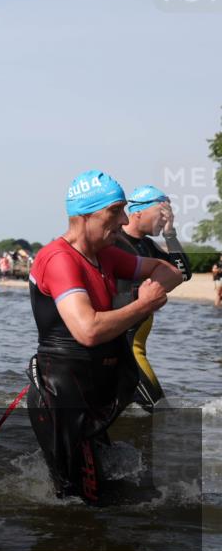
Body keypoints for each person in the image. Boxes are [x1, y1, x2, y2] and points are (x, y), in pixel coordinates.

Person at [25, 170, 183, 504]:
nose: (124, 219)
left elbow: (171, 271)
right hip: (62, 394)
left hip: (94, 391)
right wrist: (143, 305)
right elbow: (88, 330)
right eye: (115, 211)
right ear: (85, 215)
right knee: (76, 506)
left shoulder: (106, 255)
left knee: (106, 496)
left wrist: (149, 294)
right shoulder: (59, 259)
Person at [113, 185, 192, 411]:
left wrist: (170, 233)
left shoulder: (147, 245)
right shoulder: (115, 242)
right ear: (138, 212)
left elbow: (183, 272)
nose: (165, 219)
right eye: (161, 213)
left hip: (136, 341)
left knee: (141, 408)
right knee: (157, 408)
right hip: (124, 342)